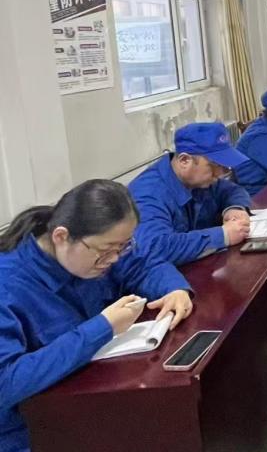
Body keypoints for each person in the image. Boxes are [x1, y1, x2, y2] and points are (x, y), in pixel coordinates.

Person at [0, 180, 194, 451]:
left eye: (122, 247)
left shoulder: (96, 250)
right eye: (106, 252)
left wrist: (174, 289)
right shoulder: (8, 285)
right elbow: (6, 384)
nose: (114, 259)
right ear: (61, 237)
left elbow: (141, 265)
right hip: (29, 431)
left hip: (93, 397)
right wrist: (102, 327)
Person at [129, 122, 253, 265]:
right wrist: (223, 235)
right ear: (184, 160)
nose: (221, 173)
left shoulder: (200, 179)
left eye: (224, 165)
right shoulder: (148, 194)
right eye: (215, 165)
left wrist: (234, 208)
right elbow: (155, 247)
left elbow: (233, 190)